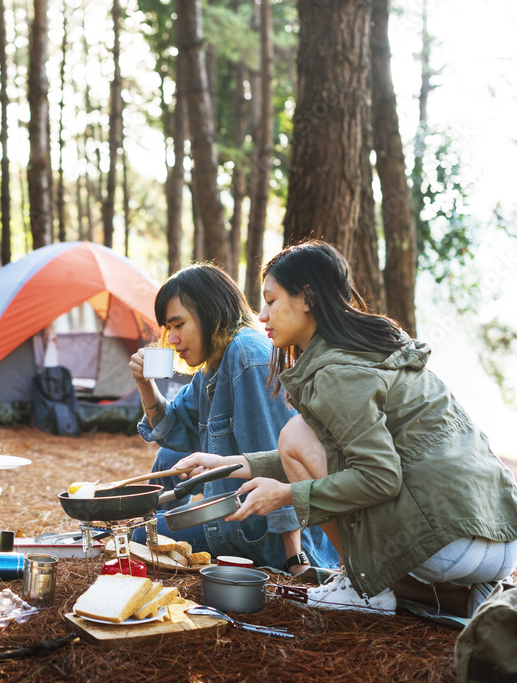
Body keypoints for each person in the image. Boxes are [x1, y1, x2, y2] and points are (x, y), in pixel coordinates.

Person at [175, 240, 517, 617]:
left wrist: (287, 494)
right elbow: (321, 455)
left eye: (271, 301)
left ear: (307, 298)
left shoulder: (337, 371)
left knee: (295, 434)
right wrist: (222, 464)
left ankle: (362, 588)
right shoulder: (368, 345)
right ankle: (456, 595)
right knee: (300, 439)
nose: (262, 314)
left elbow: (380, 477)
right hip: (498, 538)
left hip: (450, 545)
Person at [129, 264, 338, 574]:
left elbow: (279, 457)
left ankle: (148, 532)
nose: (171, 339)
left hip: (261, 531)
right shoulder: (215, 363)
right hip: (240, 511)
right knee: (168, 457)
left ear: (209, 311)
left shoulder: (246, 356)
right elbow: (172, 429)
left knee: (139, 536)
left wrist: (293, 561)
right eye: (167, 329)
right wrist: (145, 384)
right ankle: (154, 526)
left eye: (179, 325)